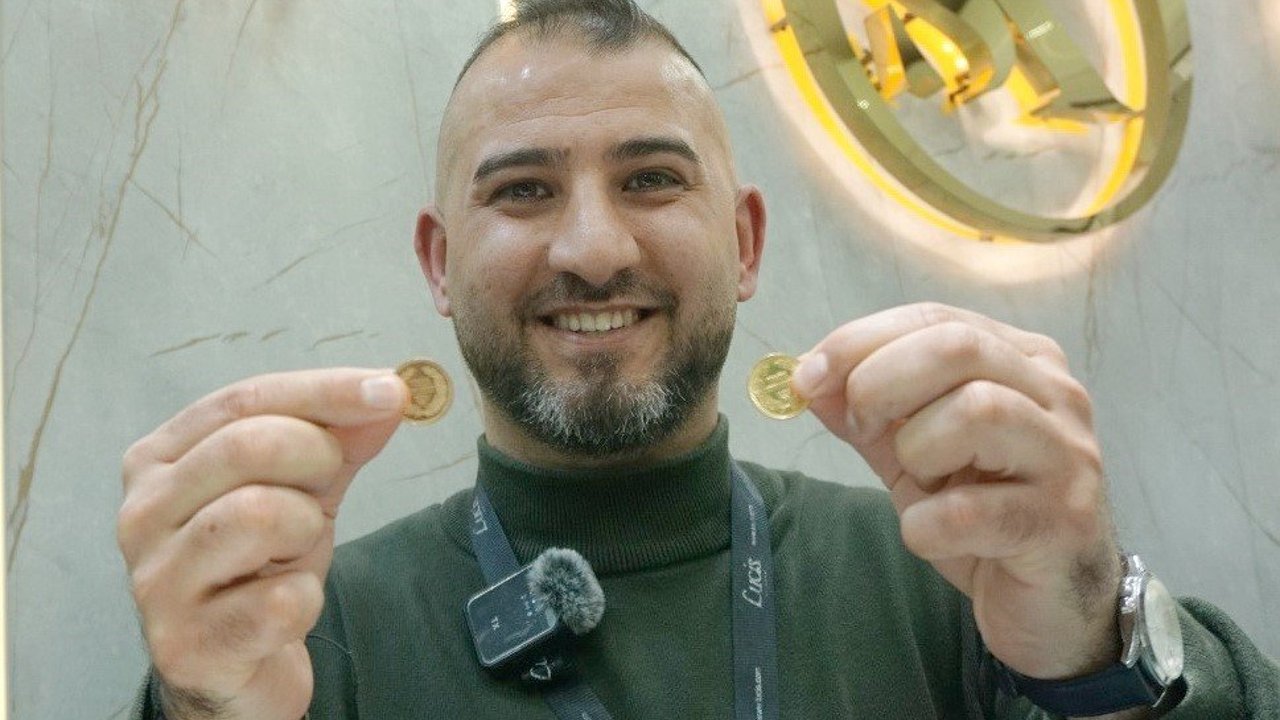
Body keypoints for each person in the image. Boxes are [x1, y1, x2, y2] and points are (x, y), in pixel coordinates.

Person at [119, 1, 1278, 718]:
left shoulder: (944, 568)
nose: (592, 248)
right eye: (521, 191)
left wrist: (1092, 640)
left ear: (745, 242)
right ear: (438, 263)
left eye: (650, 179)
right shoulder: (306, 628)